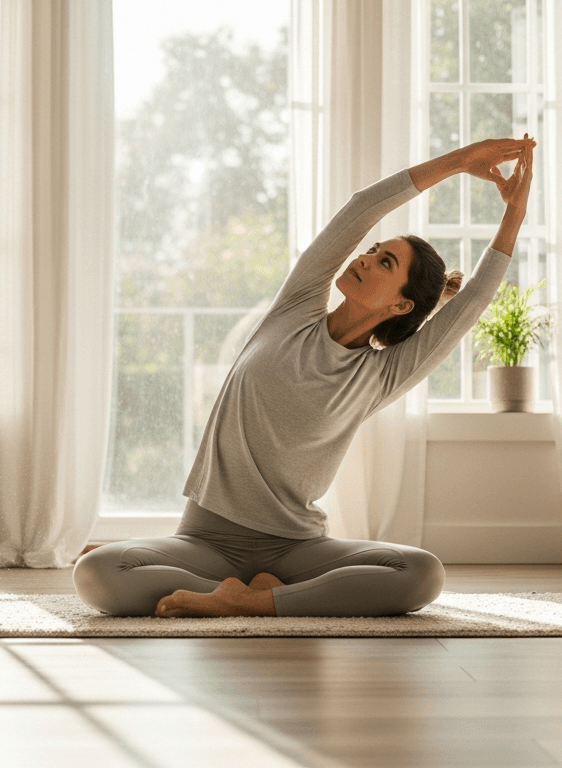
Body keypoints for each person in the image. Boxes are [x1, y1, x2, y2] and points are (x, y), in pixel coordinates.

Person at [74, 135, 536, 618]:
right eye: (373, 250)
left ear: (401, 304)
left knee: (422, 574)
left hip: (295, 549)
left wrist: (514, 213)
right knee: (97, 575)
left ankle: (249, 601)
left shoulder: (382, 374)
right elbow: (362, 209)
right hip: (205, 538)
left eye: (385, 262)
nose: (363, 257)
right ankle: (261, 594)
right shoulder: (294, 310)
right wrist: (461, 161)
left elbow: (474, 300)